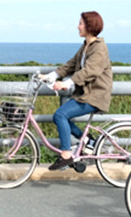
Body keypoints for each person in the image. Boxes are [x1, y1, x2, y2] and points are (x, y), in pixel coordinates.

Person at [40, 11, 113, 171]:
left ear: (89, 26)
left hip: (95, 96)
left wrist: (67, 83)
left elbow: (90, 71)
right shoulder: (86, 46)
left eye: (81, 23)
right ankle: (88, 140)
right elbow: (72, 64)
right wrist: (52, 75)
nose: (78, 26)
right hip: (85, 94)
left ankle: (66, 155)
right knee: (59, 117)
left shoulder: (99, 48)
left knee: (60, 115)